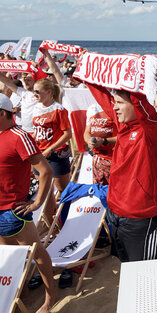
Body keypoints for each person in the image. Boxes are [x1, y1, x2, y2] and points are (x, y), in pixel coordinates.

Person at [85, 80, 157, 262]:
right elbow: (103, 97)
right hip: (116, 214)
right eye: (114, 103)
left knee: (145, 278)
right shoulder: (125, 125)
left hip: (142, 220)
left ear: (136, 103)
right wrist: (85, 72)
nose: (114, 108)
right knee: (128, 270)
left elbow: (145, 108)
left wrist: (137, 82)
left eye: (119, 103)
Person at [0, 94, 55, 313]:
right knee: (9, 256)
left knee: (37, 254)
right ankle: (19, 292)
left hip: (14, 209)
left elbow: (45, 171)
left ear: (3, 113)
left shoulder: (18, 135)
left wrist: (37, 202)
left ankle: (49, 299)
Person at [32, 79, 72, 225]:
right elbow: (37, 131)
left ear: (49, 92)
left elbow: (68, 134)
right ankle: (51, 225)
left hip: (56, 154)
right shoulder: (36, 108)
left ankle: (65, 222)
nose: (34, 94)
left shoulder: (59, 109)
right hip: (40, 154)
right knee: (46, 191)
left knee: (63, 190)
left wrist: (51, 148)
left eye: (37, 91)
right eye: (34, 91)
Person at [83, 103, 117, 185]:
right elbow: (87, 132)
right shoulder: (92, 108)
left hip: (114, 159)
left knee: (116, 193)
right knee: (100, 192)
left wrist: (104, 141)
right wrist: (89, 141)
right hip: (97, 160)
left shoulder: (116, 106)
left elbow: (125, 136)